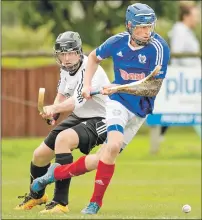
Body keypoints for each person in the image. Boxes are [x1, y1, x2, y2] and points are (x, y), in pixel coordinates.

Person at [31, 2, 170, 215]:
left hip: (140, 110)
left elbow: (152, 88)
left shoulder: (159, 48)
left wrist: (119, 86)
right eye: (141, 27)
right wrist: (87, 86)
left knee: (102, 158)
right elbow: (94, 57)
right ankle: (95, 203)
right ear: (129, 26)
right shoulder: (117, 42)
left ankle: (54, 175)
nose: (146, 32)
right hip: (118, 104)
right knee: (112, 145)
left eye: (149, 26)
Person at [15, 30, 111, 214]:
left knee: (63, 140)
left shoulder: (91, 70)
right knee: (40, 155)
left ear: (78, 51)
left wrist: (54, 108)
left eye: (70, 53)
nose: (66, 58)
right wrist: (54, 113)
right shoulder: (65, 69)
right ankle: (37, 196)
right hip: (81, 116)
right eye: (62, 54)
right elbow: (62, 95)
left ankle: (60, 202)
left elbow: (76, 101)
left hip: (101, 119)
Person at [160, 1, 201, 140]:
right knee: (186, 107)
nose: (197, 19)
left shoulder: (187, 32)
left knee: (185, 108)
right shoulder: (180, 30)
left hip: (192, 76)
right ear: (186, 16)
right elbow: (177, 53)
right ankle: (160, 135)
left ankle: (160, 134)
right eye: (195, 15)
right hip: (184, 77)